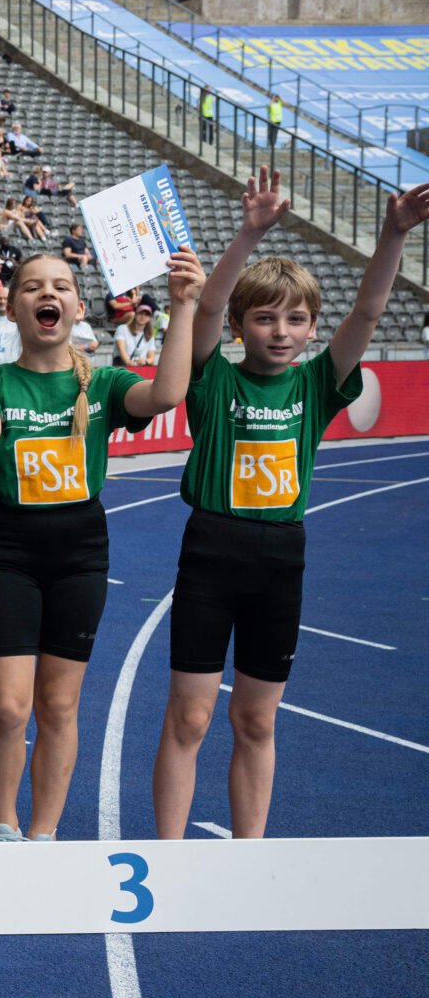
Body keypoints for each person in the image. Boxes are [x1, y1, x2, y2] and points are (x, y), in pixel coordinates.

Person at [152, 172, 429, 838]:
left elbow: (365, 311)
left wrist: (393, 233)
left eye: (296, 318)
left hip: (280, 558)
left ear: (310, 328)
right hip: (211, 552)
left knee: (257, 718)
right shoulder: (213, 376)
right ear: (244, 325)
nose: (281, 330)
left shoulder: (317, 383)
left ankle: (250, 855)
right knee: (189, 715)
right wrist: (251, 231)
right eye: (266, 317)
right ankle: (166, 850)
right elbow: (208, 311)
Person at [0, 250, 203, 842]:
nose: (46, 295)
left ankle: (44, 835)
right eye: (31, 287)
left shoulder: (102, 382)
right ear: (12, 305)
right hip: (10, 549)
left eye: (61, 286)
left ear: (77, 307)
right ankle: (3, 826)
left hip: (79, 550)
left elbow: (168, 394)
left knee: (59, 706)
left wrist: (182, 306)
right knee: (7, 706)